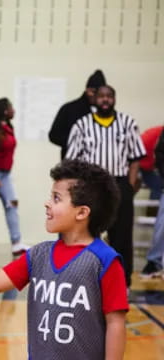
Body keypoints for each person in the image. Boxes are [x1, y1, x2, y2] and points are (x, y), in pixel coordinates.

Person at [0, 159, 128, 360]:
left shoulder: (105, 261)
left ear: (82, 212)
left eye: (56, 198)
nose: (47, 203)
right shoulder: (38, 255)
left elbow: (115, 324)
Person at [66, 85, 146, 287]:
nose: (105, 100)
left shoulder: (127, 123)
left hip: (119, 183)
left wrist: (129, 183)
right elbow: (72, 161)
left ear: (115, 99)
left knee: (122, 235)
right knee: (89, 234)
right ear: (95, 99)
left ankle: (122, 282)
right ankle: (87, 279)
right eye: (101, 96)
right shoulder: (82, 125)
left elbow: (135, 158)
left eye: (109, 96)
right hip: (92, 185)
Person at [0, 98, 29, 256]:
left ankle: (16, 242)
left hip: (5, 175)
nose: (14, 110)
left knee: (12, 205)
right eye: (10, 107)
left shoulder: (7, 127)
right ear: (3, 110)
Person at [49, 70, 107, 159]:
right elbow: (54, 136)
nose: (98, 97)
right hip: (74, 165)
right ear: (88, 91)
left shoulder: (106, 112)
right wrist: (77, 142)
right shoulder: (69, 109)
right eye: (95, 93)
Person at [141, 129, 164, 278]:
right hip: (147, 163)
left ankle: (154, 261)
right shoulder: (149, 139)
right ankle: (154, 261)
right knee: (161, 219)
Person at [139, 125, 164, 201]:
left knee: (158, 185)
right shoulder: (151, 137)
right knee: (158, 185)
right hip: (142, 165)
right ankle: (154, 211)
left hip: (148, 165)